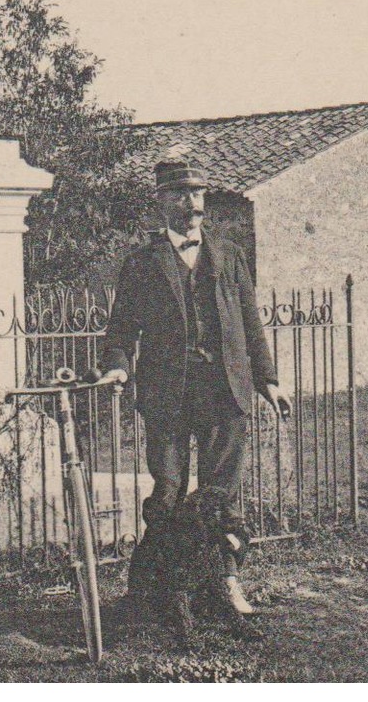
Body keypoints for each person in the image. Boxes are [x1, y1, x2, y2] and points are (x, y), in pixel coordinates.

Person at [101, 160, 291, 616]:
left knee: (220, 493)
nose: (192, 205)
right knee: (167, 491)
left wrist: (268, 380)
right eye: (182, 195)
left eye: (199, 195)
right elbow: (121, 329)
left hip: (225, 391)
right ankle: (158, 588)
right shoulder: (143, 263)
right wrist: (118, 369)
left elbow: (250, 322)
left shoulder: (229, 254)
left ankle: (226, 581)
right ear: (162, 202)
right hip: (167, 393)